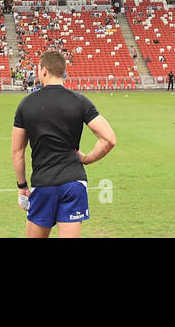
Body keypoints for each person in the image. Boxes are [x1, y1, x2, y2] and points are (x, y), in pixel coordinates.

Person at [11, 50, 116, 239]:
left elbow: (17, 151)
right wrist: (86, 159)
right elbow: (109, 139)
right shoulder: (80, 101)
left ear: (44, 71)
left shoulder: (26, 104)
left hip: (44, 183)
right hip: (74, 183)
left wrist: (22, 186)